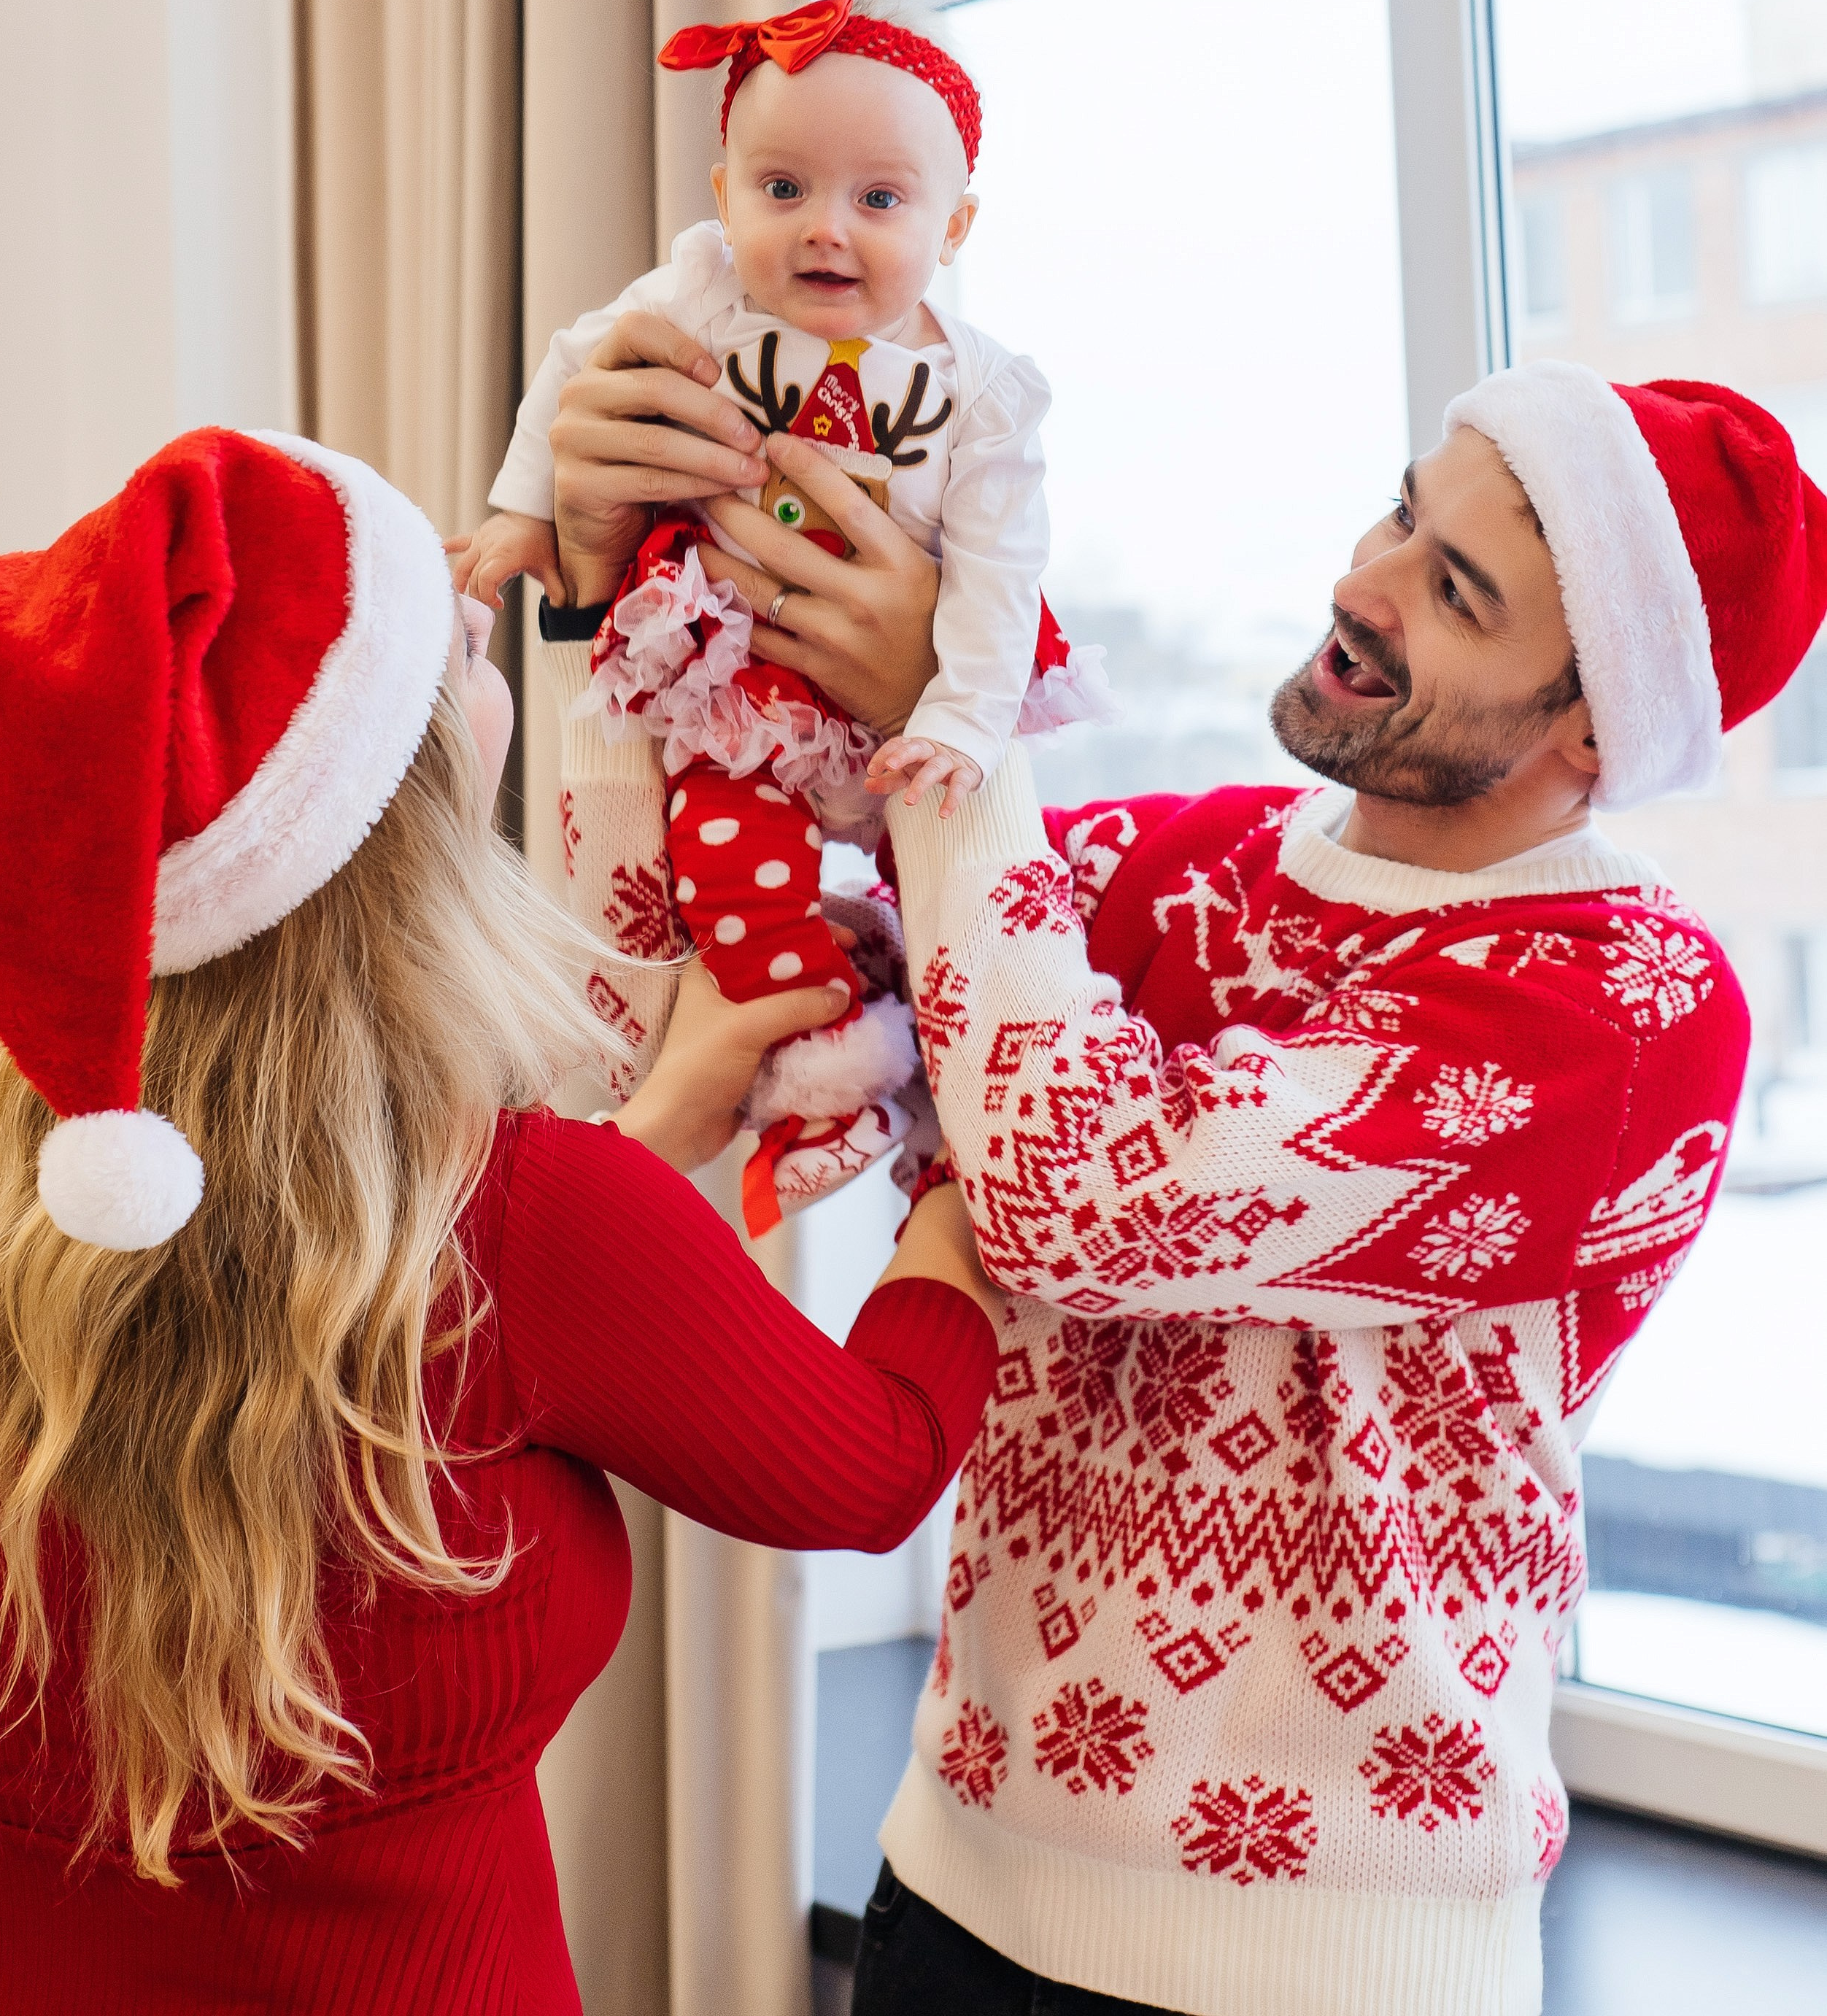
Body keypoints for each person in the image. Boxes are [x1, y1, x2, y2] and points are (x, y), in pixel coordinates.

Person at [550, 352, 1827, 2016]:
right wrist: (622, 625)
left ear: (1599, 722)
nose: (1359, 588)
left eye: (1453, 589)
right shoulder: (1168, 863)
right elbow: (659, 1002)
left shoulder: (1627, 1006)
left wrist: (963, 723)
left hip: (1326, 1969)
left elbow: (1073, 1201)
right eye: (1396, 514)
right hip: (953, 1889)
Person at [0, 425, 1000, 2016]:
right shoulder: (532, 1224)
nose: (496, 664)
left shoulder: (30, 1196)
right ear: (375, 805)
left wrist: (654, 1137)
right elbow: (874, 1464)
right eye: (461, 649)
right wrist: (979, 1144)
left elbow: (418, 1336)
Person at [449, 0, 1111, 1234]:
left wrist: (959, 725)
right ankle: (817, 1088)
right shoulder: (699, 296)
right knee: (727, 877)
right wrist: (528, 518)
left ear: (953, 226)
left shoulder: (983, 393)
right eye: (783, 187)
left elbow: (999, 574)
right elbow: (569, 369)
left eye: (878, 200)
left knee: (947, 906)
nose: (824, 230)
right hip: (735, 679)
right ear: (724, 194)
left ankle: (951, 1132)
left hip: (913, 701)